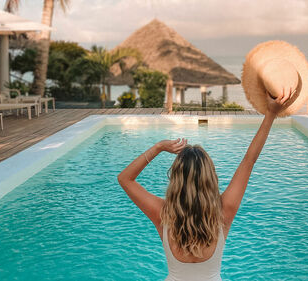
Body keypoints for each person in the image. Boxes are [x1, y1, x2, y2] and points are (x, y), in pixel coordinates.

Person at [117, 89, 293, 280]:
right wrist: (271, 113)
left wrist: (158, 147)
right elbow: (249, 160)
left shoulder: (162, 214)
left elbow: (125, 179)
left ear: (176, 178)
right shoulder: (224, 210)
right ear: (210, 177)